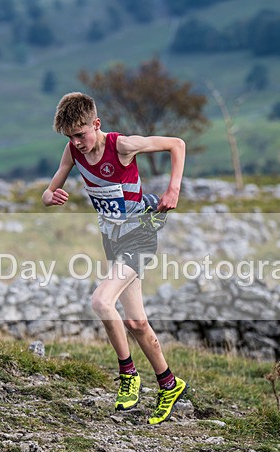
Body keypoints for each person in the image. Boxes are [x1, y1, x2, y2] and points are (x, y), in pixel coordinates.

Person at [42, 92, 188, 425]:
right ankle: (169, 383)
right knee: (136, 322)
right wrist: (51, 196)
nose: (77, 142)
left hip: (139, 235)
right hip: (113, 240)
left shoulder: (121, 146)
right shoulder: (72, 152)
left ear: (96, 124)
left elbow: (176, 144)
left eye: (81, 134)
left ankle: (128, 375)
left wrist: (173, 190)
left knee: (101, 301)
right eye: (70, 137)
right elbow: (48, 190)